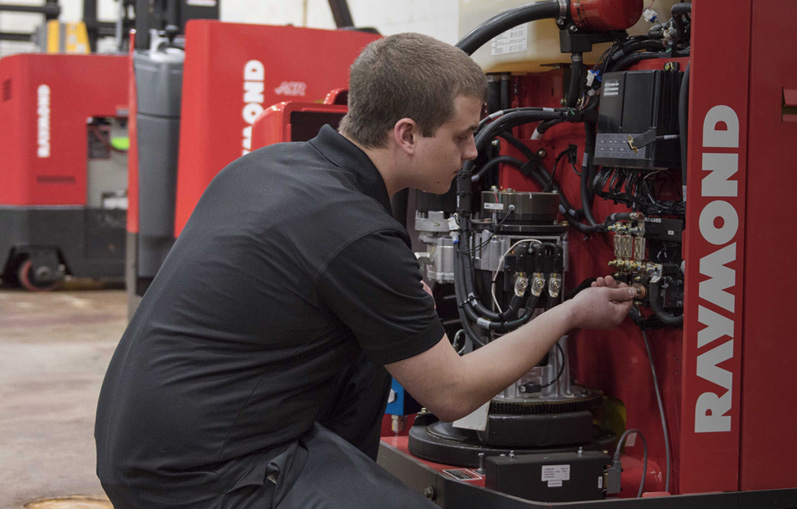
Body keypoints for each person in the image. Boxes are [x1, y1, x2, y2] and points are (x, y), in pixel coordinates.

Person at [94, 33, 634, 509]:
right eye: (461, 135)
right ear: (406, 134)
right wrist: (570, 313)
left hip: (144, 443)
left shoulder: (266, 166)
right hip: (202, 476)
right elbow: (452, 393)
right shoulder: (358, 232)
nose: (472, 151)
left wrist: (392, 300)